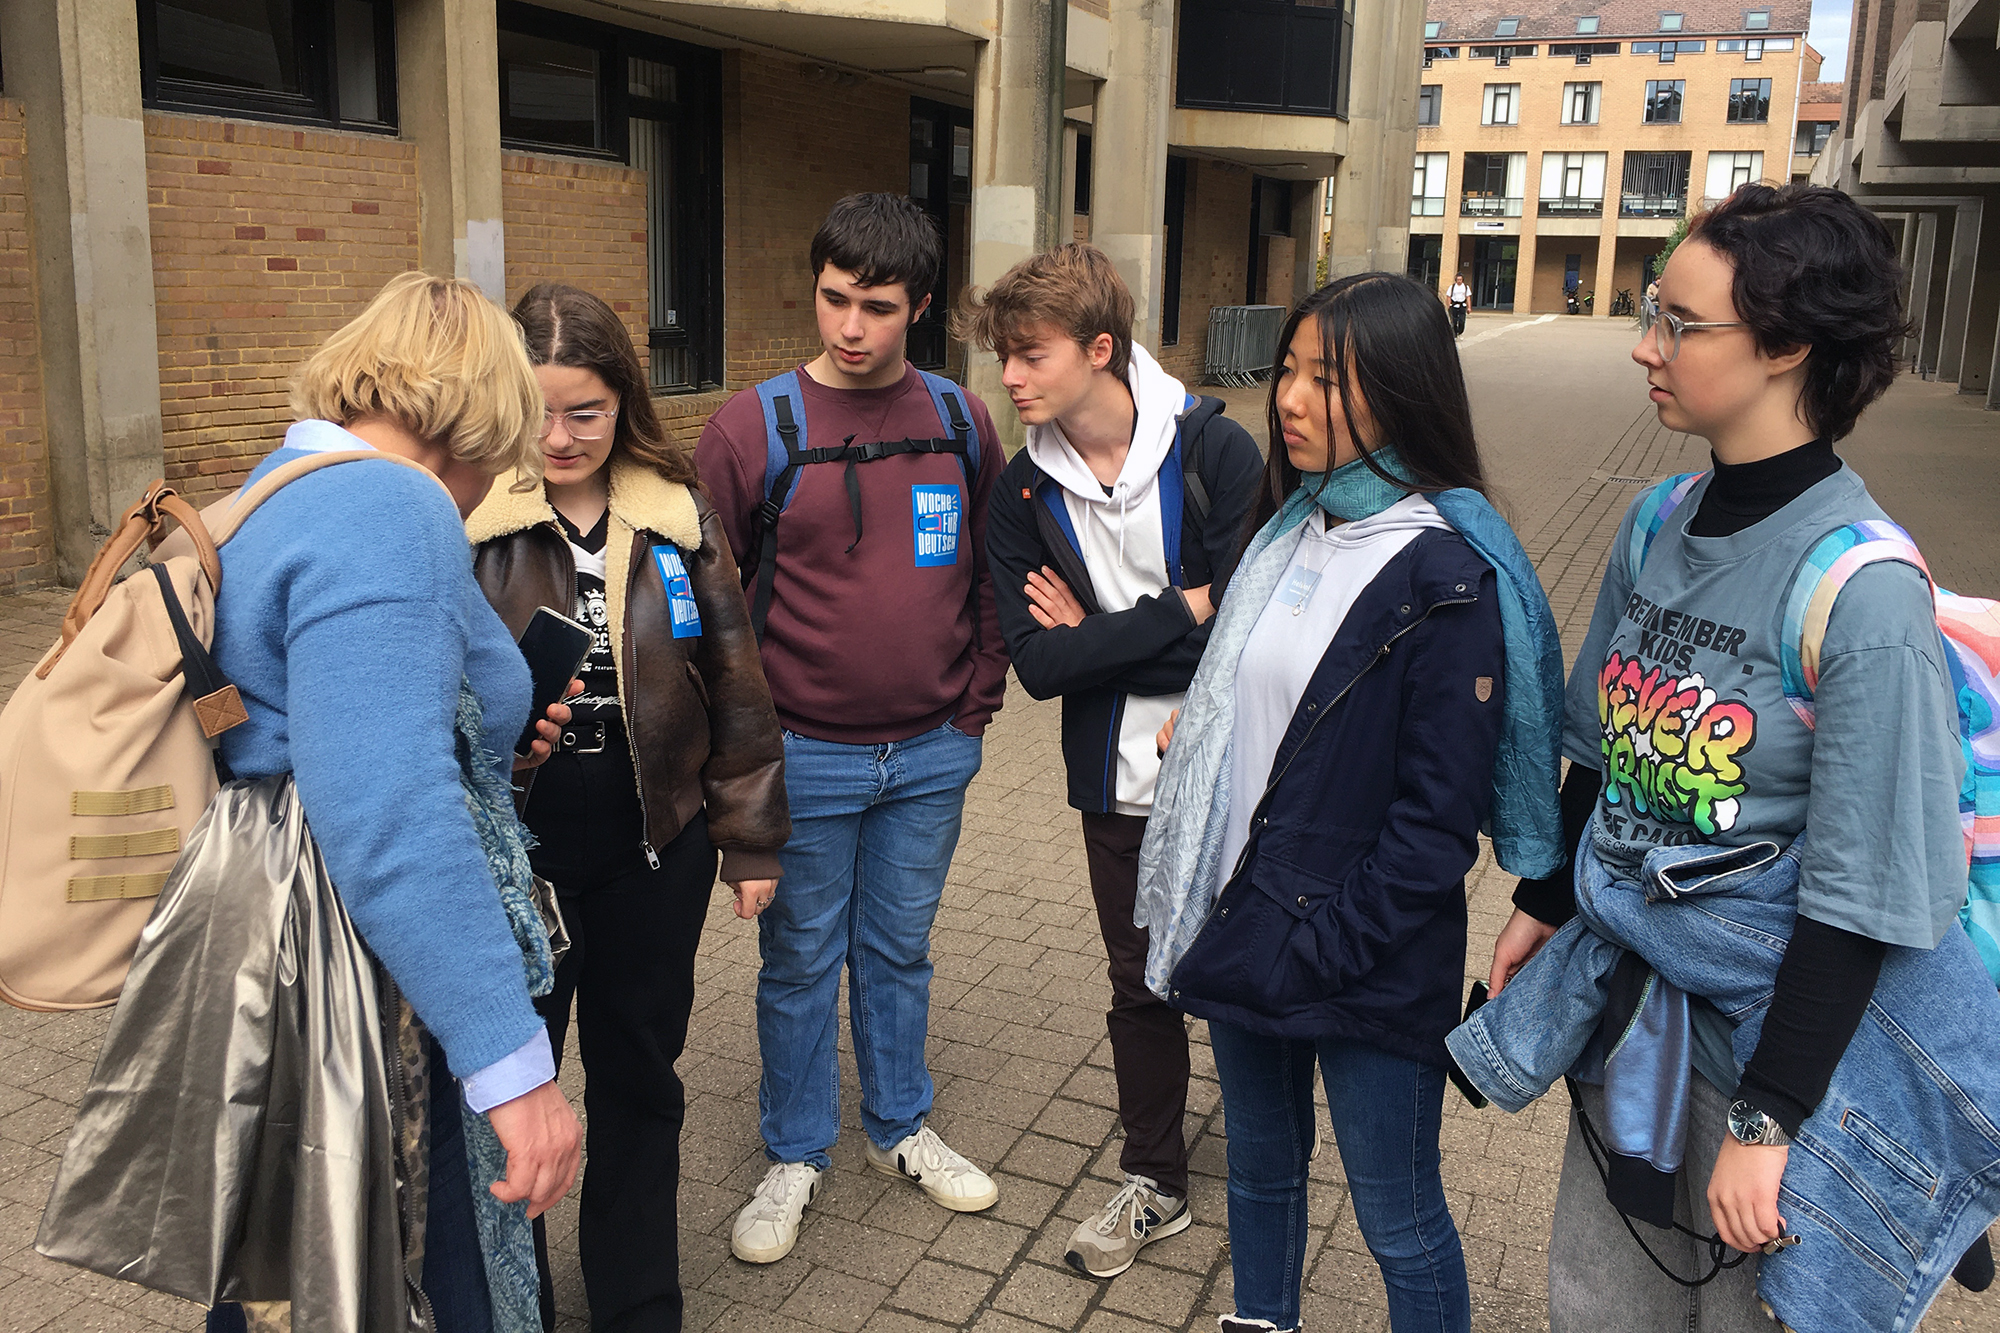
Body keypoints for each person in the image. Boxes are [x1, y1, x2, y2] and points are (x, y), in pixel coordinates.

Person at [1459, 182, 1997, 1332]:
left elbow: (1861, 897)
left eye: (1678, 324)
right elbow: (1603, 748)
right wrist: (1542, 900)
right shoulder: (1658, 519)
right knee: (1601, 1305)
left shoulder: (1860, 592)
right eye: (1650, 315)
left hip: (1769, 1050)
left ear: (1788, 344)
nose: (1645, 349)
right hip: (1627, 999)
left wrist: (1768, 1121)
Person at [1136, 273, 1567, 1333]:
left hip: (1362, 947)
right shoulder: (1286, 531)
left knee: (1396, 1214)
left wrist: (1323, 944)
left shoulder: (1449, 575)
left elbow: (1433, 829)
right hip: (1246, 920)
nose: (1288, 396)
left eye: (1325, 377)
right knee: (1260, 1180)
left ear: (1402, 389)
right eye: (1286, 368)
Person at [206, 271, 583, 1333]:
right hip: (376, 986)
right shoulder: (391, 505)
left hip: (285, 950)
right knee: (407, 1277)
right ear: (479, 414)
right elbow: (387, 806)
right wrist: (514, 1070)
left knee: (293, 1262)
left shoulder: (280, 485)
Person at [695, 193, 1010, 1265]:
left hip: (929, 752)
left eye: (875, 307)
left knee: (898, 949)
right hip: (806, 759)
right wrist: (737, 763)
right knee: (796, 961)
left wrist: (974, 703)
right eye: (834, 299)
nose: (848, 327)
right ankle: (794, 1152)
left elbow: (994, 573)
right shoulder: (753, 427)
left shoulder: (963, 421)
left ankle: (898, 1127)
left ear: (918, 307)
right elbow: (709, 605)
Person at [468, 283, 789, 1330]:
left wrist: (749, 840)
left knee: (640, 1080)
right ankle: (513, 1306)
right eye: (538, 412)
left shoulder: (676, 513)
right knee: (508, 1103)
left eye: (586, 413)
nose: (559, 438)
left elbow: (736, 683)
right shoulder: (468, 518)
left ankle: (638, 1304)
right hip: (516, 864)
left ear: (624, 406)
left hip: (656, 851)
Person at [967, 243, 1264, 1278]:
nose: (1009, 376)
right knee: (1139, 981)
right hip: (1116, 779)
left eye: (1027, 354)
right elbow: (1042, 667)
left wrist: (1109, 629)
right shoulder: (1018, 495)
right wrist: (1178, 606)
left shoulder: (1216, 456)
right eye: (1003, 354)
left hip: (1236, 767)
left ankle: (1270, 1166)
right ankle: (1156, 1178)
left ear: (1098, 349)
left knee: (1243, 967)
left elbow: (1251, 626)